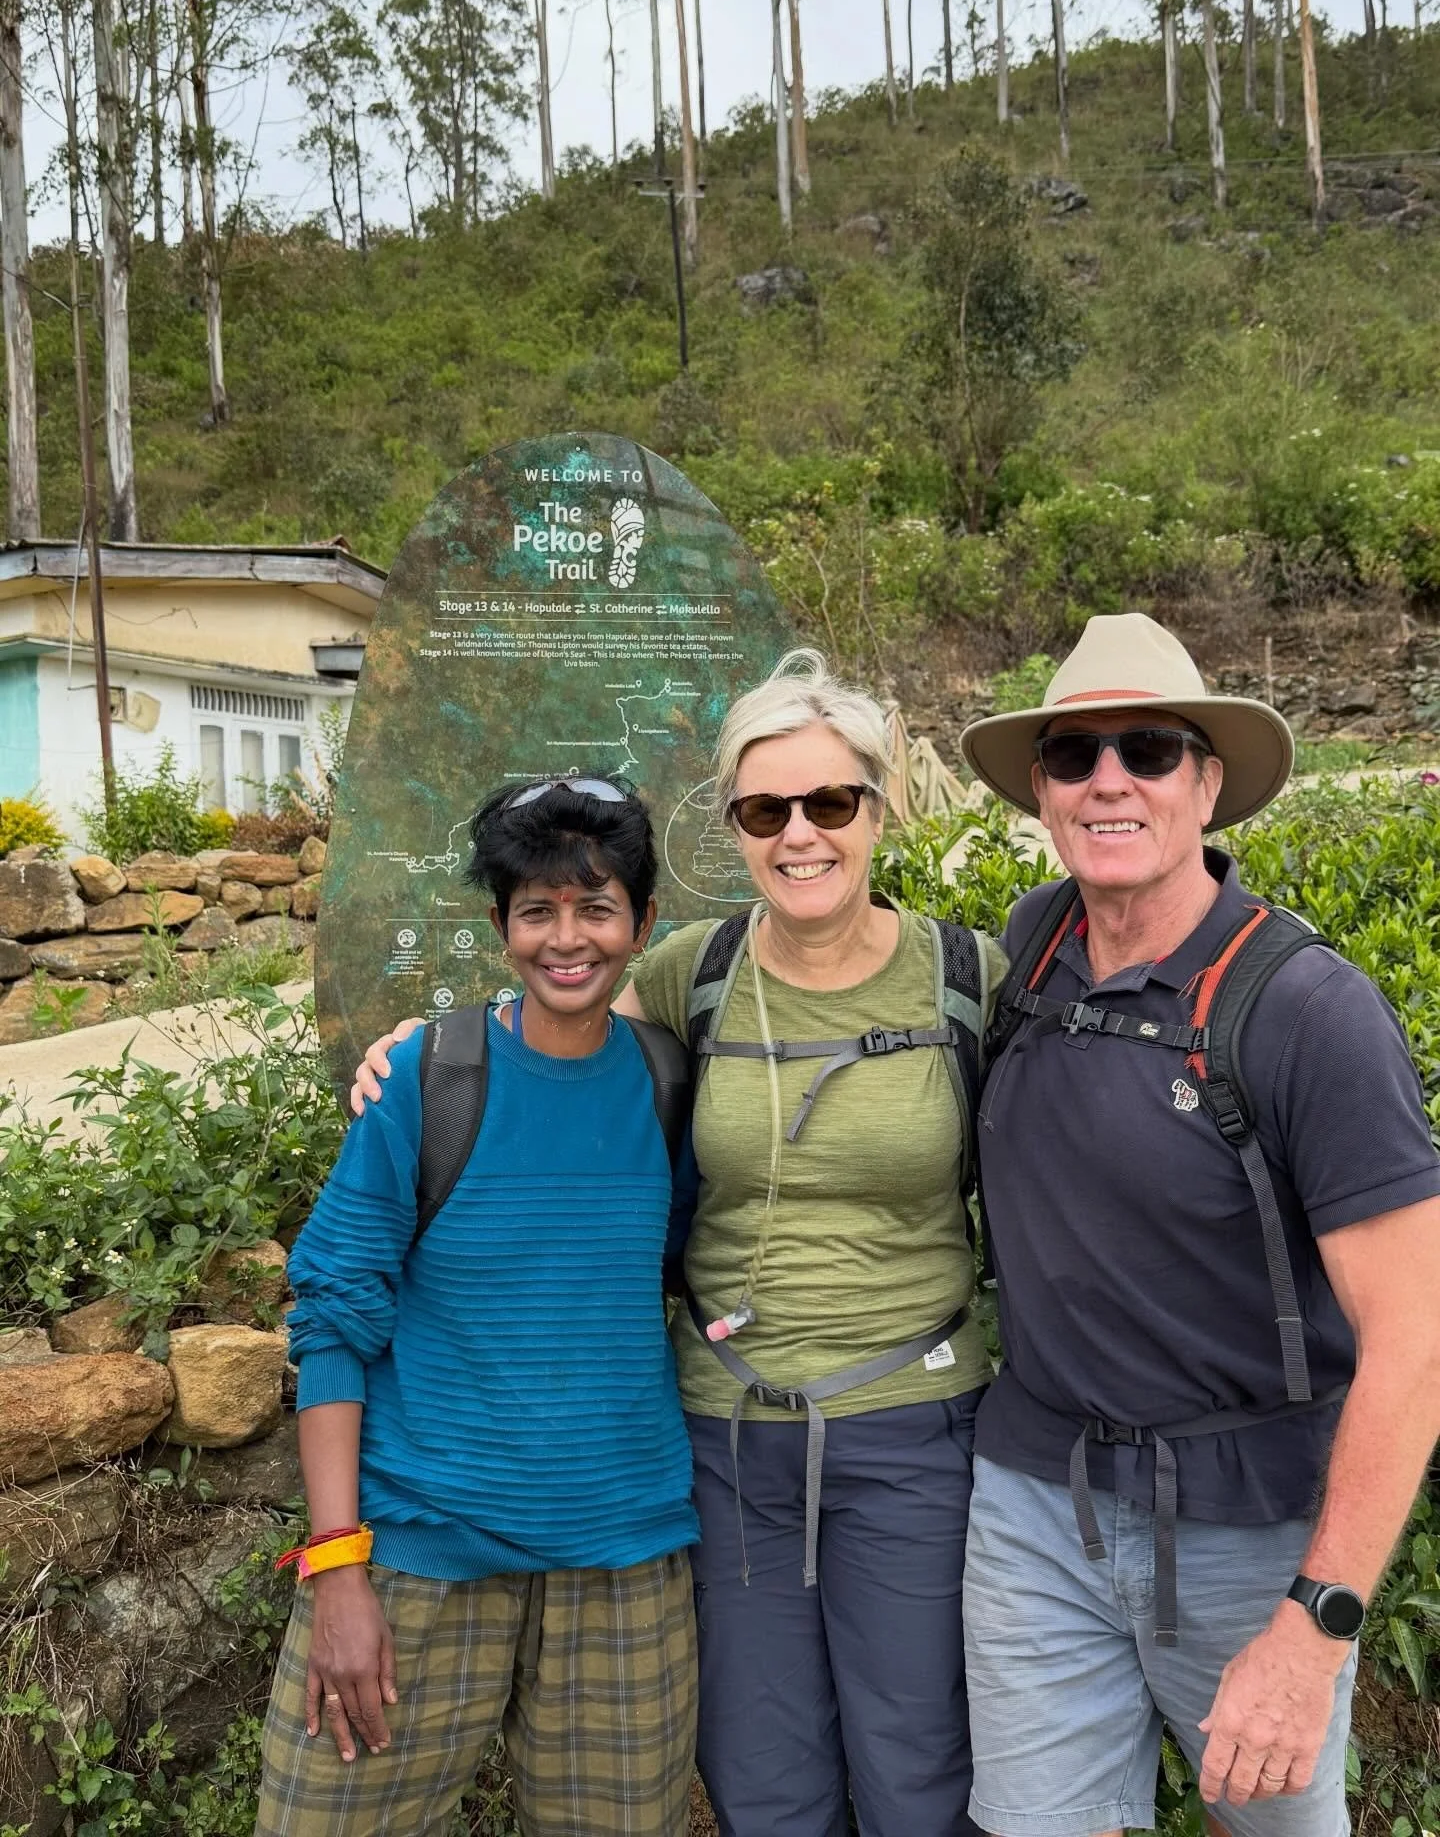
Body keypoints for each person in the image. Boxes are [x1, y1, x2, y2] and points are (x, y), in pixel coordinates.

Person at [356, 651, 1004, 1837]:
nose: (800, 834)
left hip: (917, 1429)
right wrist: (415, 1045)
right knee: (763, 1772)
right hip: (730, 1431)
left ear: (880, 805)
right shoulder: (690, 971)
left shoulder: (966, 979)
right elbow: (555, 1009)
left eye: (831, 803)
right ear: (734, 826)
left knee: (920, 1771)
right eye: (767, 809)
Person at [956, 613, 1440, 1837]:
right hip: (1035, 1504)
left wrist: (1316, 1621)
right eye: (1074, 756)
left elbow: (1418, 1343)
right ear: (1043, 792)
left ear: (1209, 783)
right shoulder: (1029, 946)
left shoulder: (1310, 1013)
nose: (1109, 779)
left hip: (1247, 1522)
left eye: (1150, 750)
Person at [255, 776, 699, 1837]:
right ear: (501, 928)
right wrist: (337, 1567)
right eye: (536, 911)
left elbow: (668, 1271)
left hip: (624, 1569)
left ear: (643, 924)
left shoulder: (667, 1082)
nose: (567, 938)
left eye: (596, 908)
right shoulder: (430, 1077)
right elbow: (332, 1321)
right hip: (416, 1559)